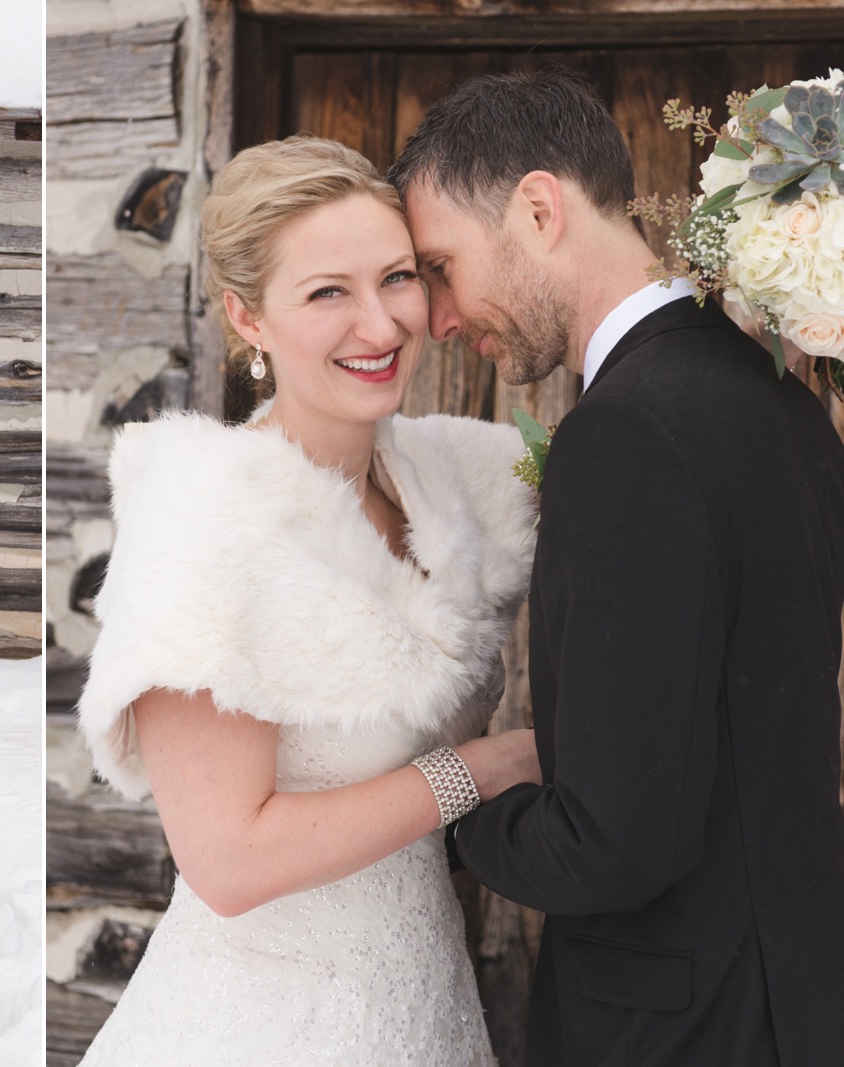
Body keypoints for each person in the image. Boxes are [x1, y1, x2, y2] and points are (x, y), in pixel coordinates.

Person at [391, 70, 844, 1066]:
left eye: (440, 266)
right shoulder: (780, 405)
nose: (436, 318)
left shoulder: (627, 431)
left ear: (538, 209)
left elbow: (615, 839)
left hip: (676, 1027)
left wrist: (456, 816)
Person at [74, 135, 543, 1065]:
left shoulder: (462, 479)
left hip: (425, 993)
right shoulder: (208, 522)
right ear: (247, 318)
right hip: (265, 1020)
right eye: (328, 292)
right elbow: (230, 863)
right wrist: (482, 770)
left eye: (398, 278)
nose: (380, 324)